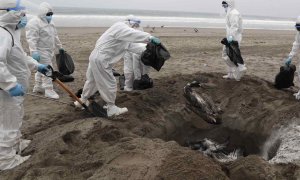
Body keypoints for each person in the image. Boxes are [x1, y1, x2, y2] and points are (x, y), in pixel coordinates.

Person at [74, 16, 161, 117]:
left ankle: (82, 101)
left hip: (96, 57)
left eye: (137, 25)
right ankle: (111, 108)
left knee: (92, 81)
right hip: (102, 58)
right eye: (135, 24)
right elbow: (131, 34)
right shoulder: (119, 27)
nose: (136, 27)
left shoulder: (124, 37)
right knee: (110, 83)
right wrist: (149, 37)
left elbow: (133, 46)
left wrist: (148, 50)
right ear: (129, 22)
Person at [0, 0, 50, 170]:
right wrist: (10, 84)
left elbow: (20, 56)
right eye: (19, 12)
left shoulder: (11, 32)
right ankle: (6, 160)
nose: (23, 16)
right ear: (7, 13)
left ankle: (16, 144)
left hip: (15, 89)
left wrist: (38, 66)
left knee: (16, 117)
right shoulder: (2, 34)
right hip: (7, 91)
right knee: (8, 123)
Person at [26, 2, 64, 99]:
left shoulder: (51, 23)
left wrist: (60, 47)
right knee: (48, 69)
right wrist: (34, 51)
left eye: (51, 14)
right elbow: (31, 38)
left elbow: (55, 36)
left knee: (40, 68)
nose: (50, 16)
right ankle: (48, 90)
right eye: (48, 14)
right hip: (40, 51)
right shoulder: (34, 22)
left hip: (49, 50)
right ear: (42, 13)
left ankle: (38, 86)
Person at [221, 0, 247, 81]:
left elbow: (234, 26)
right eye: (223, 6)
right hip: (231, 36)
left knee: (227, 54)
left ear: (229, 4)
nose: (224, 7)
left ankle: (240, 67)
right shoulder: (230, 12)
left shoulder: (234, 13)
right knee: (230, 55)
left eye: (225, 5)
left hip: (234, 37)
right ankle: (231, 74)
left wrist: (230, 38)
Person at [123, 15, 150, 91]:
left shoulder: (139, 28)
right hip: (130, 50)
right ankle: (129, 86)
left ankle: (138, 84)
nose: (136, 24)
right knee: (129, 70)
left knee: (139, 69)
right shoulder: (125, 29)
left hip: (138, 51)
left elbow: (143, 39)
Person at [285, 16, 300, 99]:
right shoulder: (299, 33)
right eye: (298, 28)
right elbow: (296, 44)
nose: (299, 30)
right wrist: (290, 57)